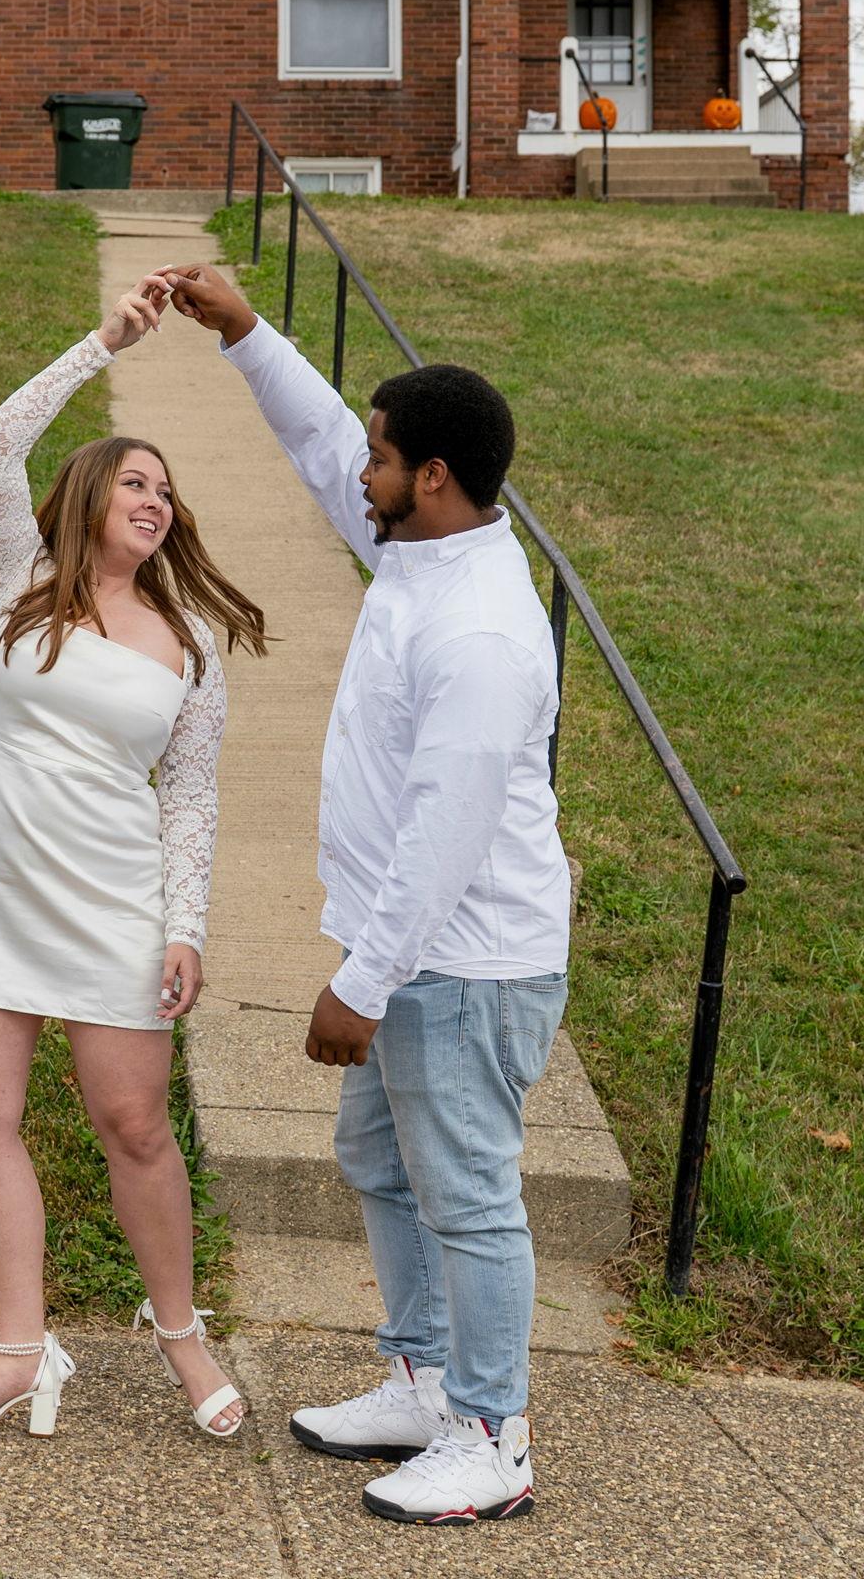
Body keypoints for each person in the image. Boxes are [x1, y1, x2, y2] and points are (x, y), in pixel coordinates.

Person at [163, 262, 569, 1527]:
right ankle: (424, 1378)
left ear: (429, 477)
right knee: (382, 1164)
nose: (362, 470)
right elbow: (320, 438)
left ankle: (491, 1437)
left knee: (469, 1196)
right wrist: (243, 329)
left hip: (462, 959)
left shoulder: (480, 628)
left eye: (383, 459)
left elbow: (447, 832)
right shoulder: (420, 551)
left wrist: (361, 977)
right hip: (411, 949)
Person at [0, 275, 268, 1441]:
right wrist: (99, 343)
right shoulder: (12, 580)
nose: (155, 498)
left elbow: (191, 793)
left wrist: (185, 925)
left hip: (112, 897)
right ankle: (18, 1350)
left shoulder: (189, 643)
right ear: (84, 496)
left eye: (166, 488)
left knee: (135, 1126)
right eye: (134, 480)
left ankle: (181, 1333)